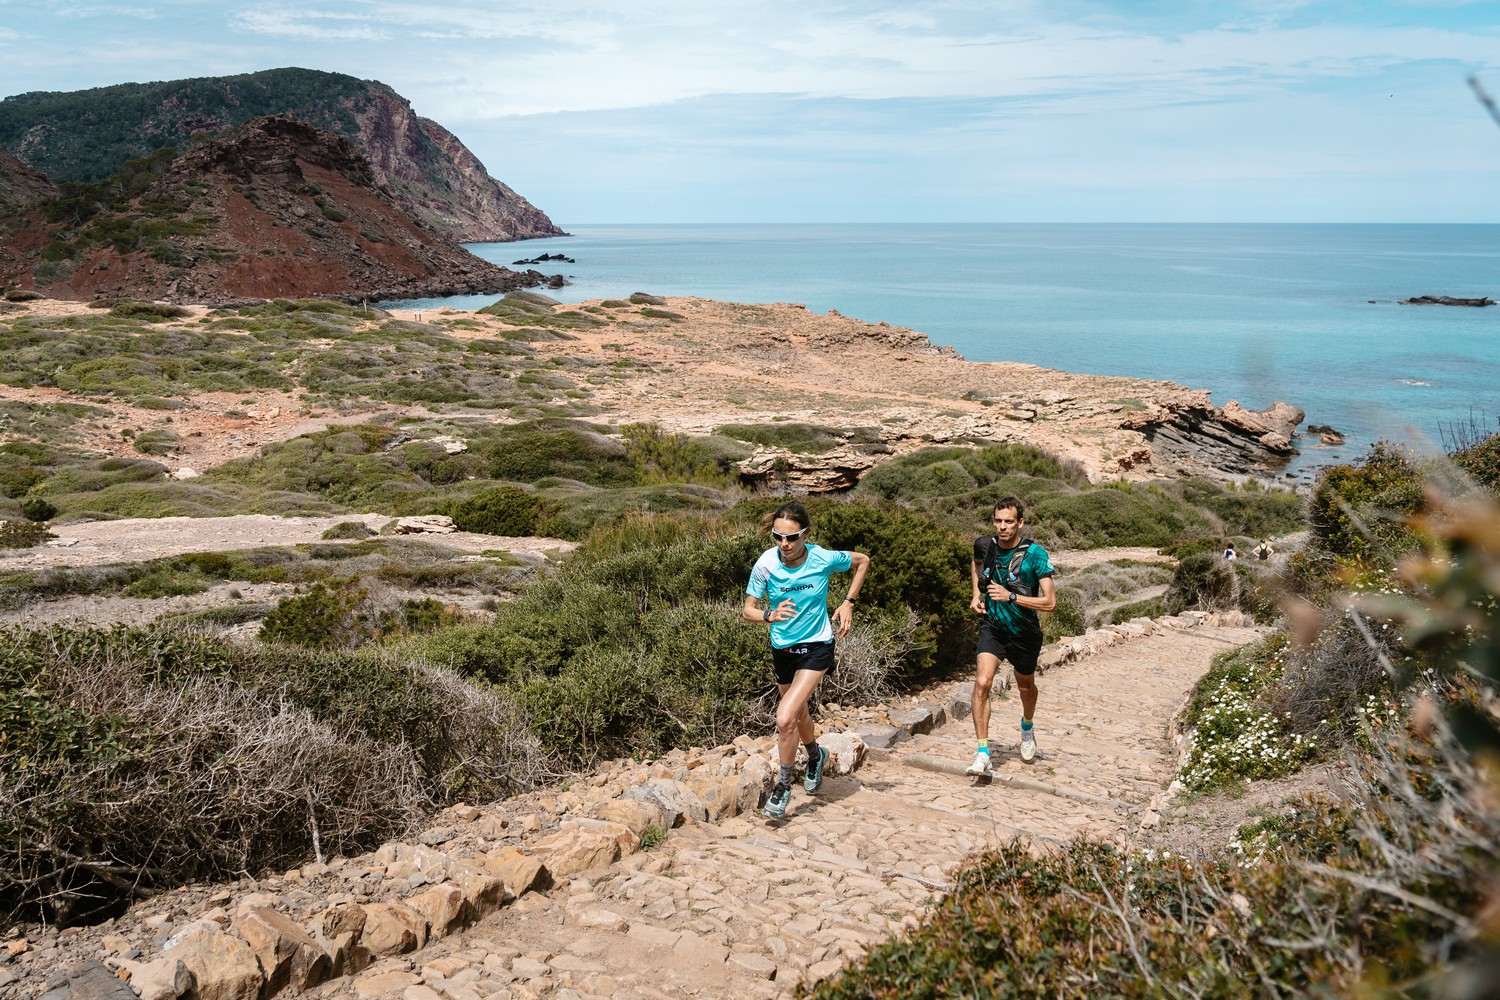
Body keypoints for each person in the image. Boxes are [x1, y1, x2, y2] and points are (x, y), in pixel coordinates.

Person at [743, 501, 871, 818]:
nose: (784, 545)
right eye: (778, 537)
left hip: (817, 645)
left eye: (792, 537)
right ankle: (816, 753)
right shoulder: (766, 564)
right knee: (797, 716)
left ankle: (783, 787)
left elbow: (863, 561)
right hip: (783, 648)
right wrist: (768, 615)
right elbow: (748, 610)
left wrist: (848, 603)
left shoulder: (822, 558)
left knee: (785, 717)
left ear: (805, 534)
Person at [966, 496, 1056, 774]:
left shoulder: (1035, 554)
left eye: (1008, 521)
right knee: (982, 682)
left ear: (1020, 522)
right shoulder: (985, 544)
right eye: (998, 521)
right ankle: (983, 752)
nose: (1002, 527)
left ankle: (1027, 727)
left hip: (1025, 632)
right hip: (993, 626)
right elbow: (976, 561)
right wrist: (976, 594)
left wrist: (1011, 596)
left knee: (1025, 687)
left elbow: (1050, 602)